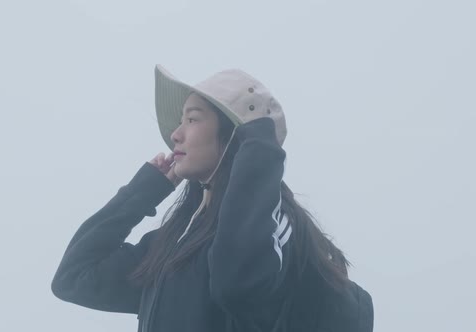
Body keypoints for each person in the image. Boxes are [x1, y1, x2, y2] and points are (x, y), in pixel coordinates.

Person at [51, 65, 374, 332]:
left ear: (236, 134)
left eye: (191, 119)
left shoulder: (273, 227)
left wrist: (259, 146)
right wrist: (144, 190)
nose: (176, 133)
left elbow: (236, 283)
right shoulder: (174, 246)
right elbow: (73, 276)